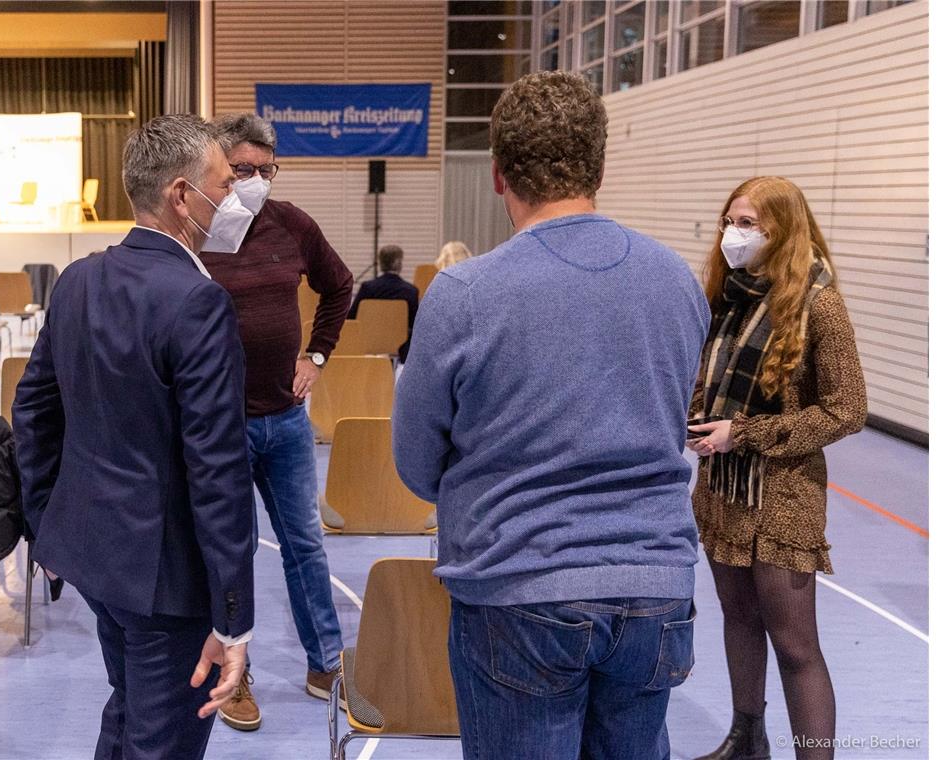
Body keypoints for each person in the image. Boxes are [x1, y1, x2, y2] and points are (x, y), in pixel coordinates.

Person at [392, 71, 710, 760]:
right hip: (655, 589)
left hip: (520, 591)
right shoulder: (676, 280)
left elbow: (416, 464)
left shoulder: (466, 294)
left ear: (499, 176)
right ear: (601, 163)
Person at [12, 113, 256, 760]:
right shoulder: (196, 303)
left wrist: (47, 523)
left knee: (127, 711)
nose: (237, 199)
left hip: (97, 558)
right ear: (182, 195)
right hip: (166, 583)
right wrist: (233, 617)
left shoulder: (77, 280)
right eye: (227, 184)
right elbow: (218, 468)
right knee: (161, 739)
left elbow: (33, 411)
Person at [686, 177, 867, 760]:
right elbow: (705, 380)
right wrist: (698, 418)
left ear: (782, 230)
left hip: (783, 496)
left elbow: (847, 409)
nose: (731, 235)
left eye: (747, 225)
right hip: (721, 489)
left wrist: (746, 433)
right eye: (728, 222)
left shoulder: (821, 305)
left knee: (795, 644)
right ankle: (747, 739)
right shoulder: (724, 297)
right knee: (738, 619)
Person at [197, 112, 353, 731]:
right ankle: (235, 673)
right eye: (242, 170)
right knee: (227, 553)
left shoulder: (292, 224)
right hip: (221, 425)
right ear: (219, 168)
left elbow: (339, 286)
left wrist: (316, 355)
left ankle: (326, 664)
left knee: (305, 545)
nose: (256, 180)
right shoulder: (200, 229)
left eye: (266, 169)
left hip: (285, 421)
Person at [347, 244, 420, 361]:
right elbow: (415, 323)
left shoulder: (367, 288)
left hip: (368, 341)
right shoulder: (411, 291)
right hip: (400, 346)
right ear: (399, 263)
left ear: (381, 263)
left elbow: (351, 318)